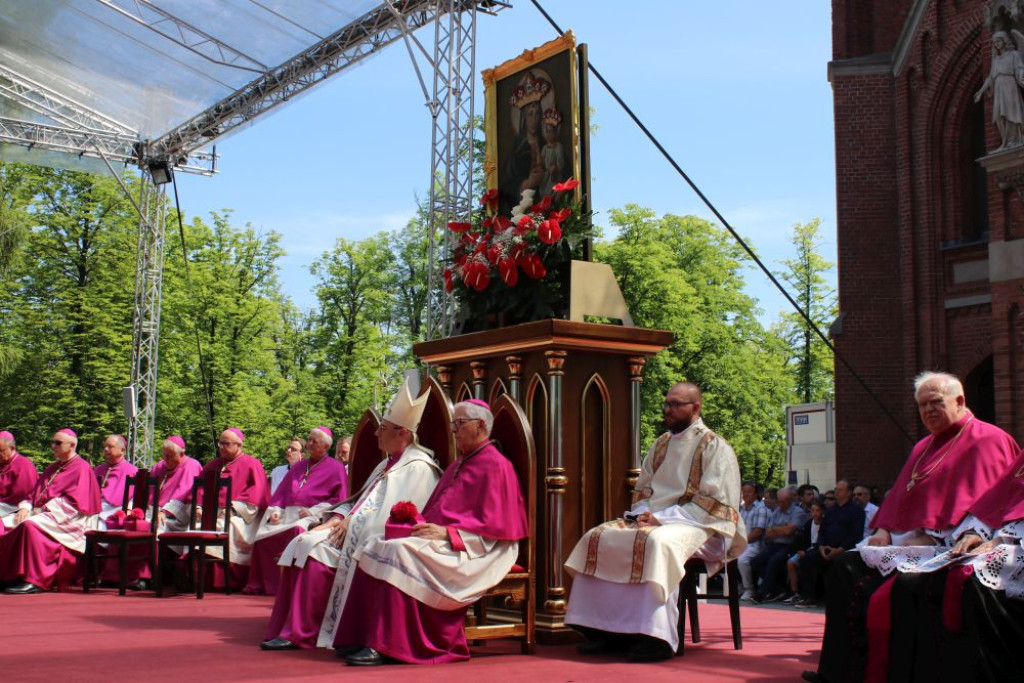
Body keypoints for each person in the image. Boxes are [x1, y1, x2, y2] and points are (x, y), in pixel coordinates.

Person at [803, 371, 1019, 683]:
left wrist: (972, 532)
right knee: (844, 568)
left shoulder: (990, 440)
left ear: (959, 402)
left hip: (961, 545)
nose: (928, 410)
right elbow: (901, 503)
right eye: (922, 406)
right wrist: (884, 531)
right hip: (918, 543)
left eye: (936, 402)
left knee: (911, 587)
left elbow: (997, 504)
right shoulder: (922, 448)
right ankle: (839, 672)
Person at [333, 399, 528, 666]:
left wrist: (450, 534)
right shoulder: (459, 463)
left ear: (481, 426)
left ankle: (388, 644)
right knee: (374, 544)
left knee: (399, 552)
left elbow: (499, 528)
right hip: (446, 539)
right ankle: (361, 636)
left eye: (459, 424)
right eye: (453, 424)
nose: (453, 430)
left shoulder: (496, 466)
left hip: (480, 547)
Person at [564, 382, 746, 662]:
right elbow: (644, 489)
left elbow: (714, 502)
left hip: (704, 527)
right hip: (658, 521)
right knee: (598, 536)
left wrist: (660, 519)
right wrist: (645, 514)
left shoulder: (714, 447)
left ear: (695, 408)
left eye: (676, 405)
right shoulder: (661, 444)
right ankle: (602, 629)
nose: (668, 410)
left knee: (657, 543)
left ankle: (654, 637)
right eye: (667, 404)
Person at [261, 381, 441, 651]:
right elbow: (359, 501)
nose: (376, 433)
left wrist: (350, 523)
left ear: (403, 432)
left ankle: (303, 633)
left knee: (313, 551)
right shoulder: (386, 462)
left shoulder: (419, 468)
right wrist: (336, 519)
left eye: (383, 428)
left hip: (377, 539)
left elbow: (394, 517)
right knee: (303, 542)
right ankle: (292, 629)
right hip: (351, 529)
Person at [245, 427, 348, 595]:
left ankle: (290, 584)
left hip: (313, 516)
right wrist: (276, 511)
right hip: (287, 515)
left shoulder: (336, 468)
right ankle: (261, 584)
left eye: (314, 441)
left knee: (297, 530)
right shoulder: (299, 466)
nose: (309, 444)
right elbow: (281, 494)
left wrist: (314, 511)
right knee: (262, 536)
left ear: (326, 446)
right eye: (309, 440)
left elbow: (340, 500)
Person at [0, 429, 101, 593]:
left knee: (30, 526)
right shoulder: (52, 467)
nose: (53, 446)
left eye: (58, 443)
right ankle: (8, 576)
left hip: (70, 519)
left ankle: (34, 579)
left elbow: (76, 502)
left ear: (72, 445)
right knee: (4, 524)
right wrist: (25, 508)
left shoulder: (82, 468)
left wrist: (46, 508)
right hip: (44, 513)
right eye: (52, 442)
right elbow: (33, 494)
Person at [194, 427, 269, 589]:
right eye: (220, 443)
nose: (221, 447)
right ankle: (197, 578)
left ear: (239, 445)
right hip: (209, 513)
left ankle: (221, 581)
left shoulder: (252, 464)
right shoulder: (213, 464)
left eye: (226, 444)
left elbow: (257, 495)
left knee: (225, 526)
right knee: (195, 526)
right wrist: (199, 507)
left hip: (240, 515)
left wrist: (233, 509)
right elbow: (198, 489)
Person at [789, 480, 863, 607]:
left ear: (849, 493)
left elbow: (855, 535)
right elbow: (822, 531)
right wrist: (822, 546)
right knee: (806, 560)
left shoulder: (856, 511)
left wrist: (840, 549)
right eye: (836, 489)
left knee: (838, 563)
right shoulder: (830, 511)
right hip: (826, 548)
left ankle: (839, 599)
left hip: (845, 550)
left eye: (840, 490)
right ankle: (809, 597)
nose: (837, 492)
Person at [500, 71, 551, 215]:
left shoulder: (548, 145)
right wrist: (526, 184)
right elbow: (504, 187)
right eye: (530, 114)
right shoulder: (517, 150)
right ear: (523, 119)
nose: (534, 119)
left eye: (537, 114)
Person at [751, 485, 807, 602]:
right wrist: (782, 529)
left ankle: (762, 593)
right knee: (756, 561)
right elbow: (768, 532)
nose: (780, 504)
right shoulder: (777, 511)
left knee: (774, 561)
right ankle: (777, 589)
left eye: (783, 501)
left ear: (790, 500)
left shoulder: (798, 512)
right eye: (779, 501)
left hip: (790, 546)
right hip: (774, 544)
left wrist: (778, 529)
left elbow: (789, 532)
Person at [975, 30, 1024, 149]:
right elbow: (990, 78)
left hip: (1010, 85)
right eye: (994, 42)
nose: (996, 44)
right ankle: (1006, 141)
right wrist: (980, 92)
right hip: (999, 88)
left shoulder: (1014, 54)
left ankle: (1015, 139)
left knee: (1011, 112)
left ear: (1004, 41)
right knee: (999, 116)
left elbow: (1019, 69)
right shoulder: (996, 60)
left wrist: (1022, 76)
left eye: (998, 41)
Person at [93, 434, 138, 527]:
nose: (106, 449)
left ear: (122, 450)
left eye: (110, 447)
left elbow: (135, 498)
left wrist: (129, 510)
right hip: (95, 510)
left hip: (116, 511)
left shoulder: (132, 471)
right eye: (105, 446)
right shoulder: (98, 469)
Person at [0, 431, 38, 536]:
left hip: (13, 508)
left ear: (11, 448)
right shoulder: (2, 462)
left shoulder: (24, 465)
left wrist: (25, 508)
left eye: (0, 450)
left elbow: (29, 494)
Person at [737, 480, 769, 600]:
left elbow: (758, 532)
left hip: (754, 545)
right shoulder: (741, 509)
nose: (746, 494)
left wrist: (740, 543)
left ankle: (749, 589)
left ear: (756, 494)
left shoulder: (760, 509)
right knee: (723, 556)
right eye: (744, 492)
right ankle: (739, 585)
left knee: (742, 560)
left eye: (749, 492)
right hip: (742, 543)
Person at [539, 107, 565, 198]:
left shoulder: (558, 146)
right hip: (546, 175)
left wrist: (555, 167)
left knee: (553, 194)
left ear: (555, 133)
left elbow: (561, 162)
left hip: (555, 176)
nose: (549, 134)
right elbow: (541, 161)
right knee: (544, 193)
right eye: (547, 132)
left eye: (551, 132)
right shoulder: (545, 148)